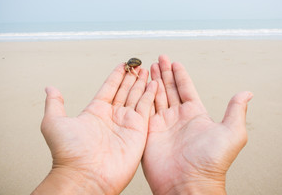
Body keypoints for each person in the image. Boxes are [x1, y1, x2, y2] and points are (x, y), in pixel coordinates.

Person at [32, 55, 253, 195]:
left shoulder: (130, 66)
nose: (131, 68)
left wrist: (78, 176)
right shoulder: (130, 66)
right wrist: (197, 182)